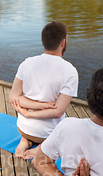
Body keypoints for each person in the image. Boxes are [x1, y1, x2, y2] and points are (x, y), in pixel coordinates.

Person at [9, 21, 78, 159]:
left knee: (31, 130)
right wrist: (40, 107)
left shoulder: (26, 63)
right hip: (49, 135)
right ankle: (42, 147)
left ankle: (26, 140)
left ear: (43, 42)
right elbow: (58, 112)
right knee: (72, 128)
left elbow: (13, 98)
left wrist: (28, 114)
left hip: (23, 128)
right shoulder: (70, 71)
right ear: (63, 43)